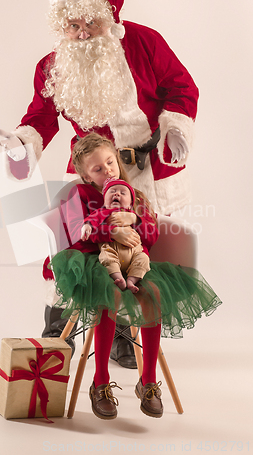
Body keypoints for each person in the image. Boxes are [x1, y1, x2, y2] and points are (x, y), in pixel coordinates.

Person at [0, 0, 200, 368]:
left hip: (145, 171)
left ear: (108, 15)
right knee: (73, 243)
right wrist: (22, 147)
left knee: (137, 249)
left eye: (91, 21)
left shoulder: (144, 43)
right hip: (92, 173)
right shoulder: (52, 66)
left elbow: (181, 87)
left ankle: (124, 337)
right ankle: (58, 331)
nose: (83, 33)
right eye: (73, 25)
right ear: (62, 26)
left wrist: (175, 129)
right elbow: (40, 118)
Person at [49, 133, 221, 420]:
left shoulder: (133, 194)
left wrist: (136, 222)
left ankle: (148, 381)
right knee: (110, 293)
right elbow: (75, 237)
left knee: (152, 293)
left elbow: (152, 237)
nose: (107, 171)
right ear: (85, 175)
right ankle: (100, 381)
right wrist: (110, 230)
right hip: (94, 262)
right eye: (98, 169)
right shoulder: (79, 195)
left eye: (110, 163)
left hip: (135, 262)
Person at [81, 176, 150, 294]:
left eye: (123, 193)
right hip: (111, 249)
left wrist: (135, 219)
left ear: (130, 204)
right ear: (104, 201)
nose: (117, 194)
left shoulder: (132, 215)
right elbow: (92, 220)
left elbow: (148, 231)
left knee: (143, 259)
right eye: (112, 191)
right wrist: (87, 226)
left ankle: (131, 280)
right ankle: (119, 278)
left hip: (134, 252)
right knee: (107, 258)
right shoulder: (102, 212)